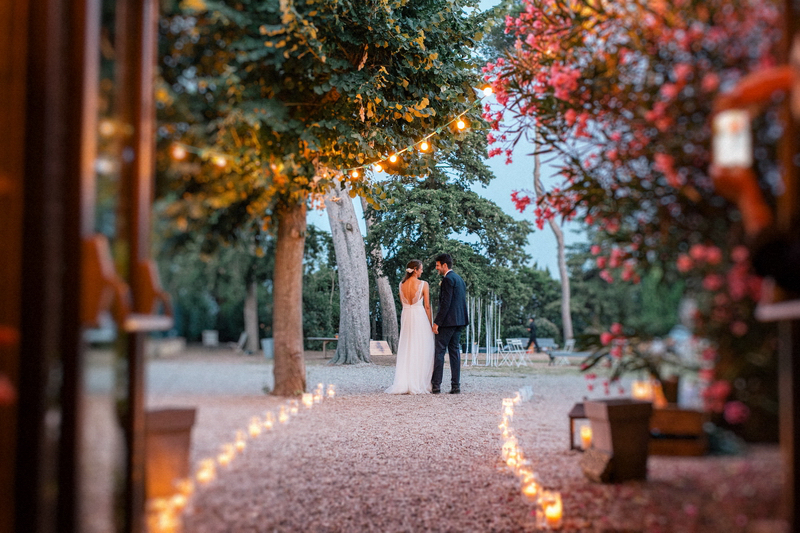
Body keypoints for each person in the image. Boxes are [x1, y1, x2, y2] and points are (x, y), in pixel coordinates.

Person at [385, 260, 435, 394]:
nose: (422, 271)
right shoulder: (423, 284)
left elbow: (403, 304)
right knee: (422, 347)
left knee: (407, 347)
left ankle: (404, 381)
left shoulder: (401, 285)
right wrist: (430, 324)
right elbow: (428, 306)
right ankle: (418, 381)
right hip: (419, 317)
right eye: (421, 269)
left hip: (406, 316)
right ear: (415, 269)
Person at [431, 253, 469, 394]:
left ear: (444, 265)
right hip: (459, 321)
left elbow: (445, 303)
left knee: (440, 351)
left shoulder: (447, 280)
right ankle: (455, 385)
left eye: (437, 265)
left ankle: (436, 385)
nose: (436, 268)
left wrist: (437, 322)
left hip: (447, 322)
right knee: (454, 353)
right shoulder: (459, 279)